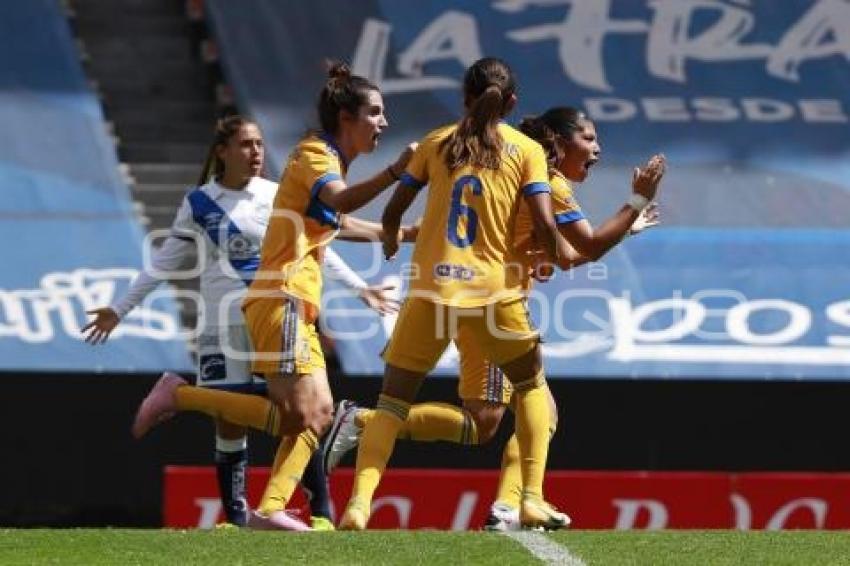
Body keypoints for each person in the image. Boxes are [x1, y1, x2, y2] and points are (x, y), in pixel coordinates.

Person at [324, 106, 664, 531]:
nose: (597, 149)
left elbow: (562, 255)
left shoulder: (490, 161)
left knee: (490, 422)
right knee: (520, 413)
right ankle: (505, 503)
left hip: (455, 294)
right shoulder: (547, 181)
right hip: (490, 305)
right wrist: (634, 204)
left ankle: (373, 431)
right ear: (559, 142)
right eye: (589, 139)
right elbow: (579, 253)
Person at [128, 62, 416, 530]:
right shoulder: (312, 156)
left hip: (296, 302)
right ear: (348, 117)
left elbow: (336, 223)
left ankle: (272, 507)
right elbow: (342, 202)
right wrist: (396, 173)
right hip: (278, 296)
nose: (384, 122)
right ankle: (183, 396)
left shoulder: (327, 163)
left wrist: (403, 232)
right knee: (297, 414)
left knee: (315, 416)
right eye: (377, 112)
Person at [338, 56, 580, 530]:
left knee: (390, 404)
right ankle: (530, 497)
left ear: (463, 96)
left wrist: (389, 235)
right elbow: (546, 222)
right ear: (511, 102)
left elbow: (395, 207)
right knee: (531, 386)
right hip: (492, 294)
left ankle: (358, 506)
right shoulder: (525, 149)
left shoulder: (436, 142)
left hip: (431, 292)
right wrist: (551, 254)